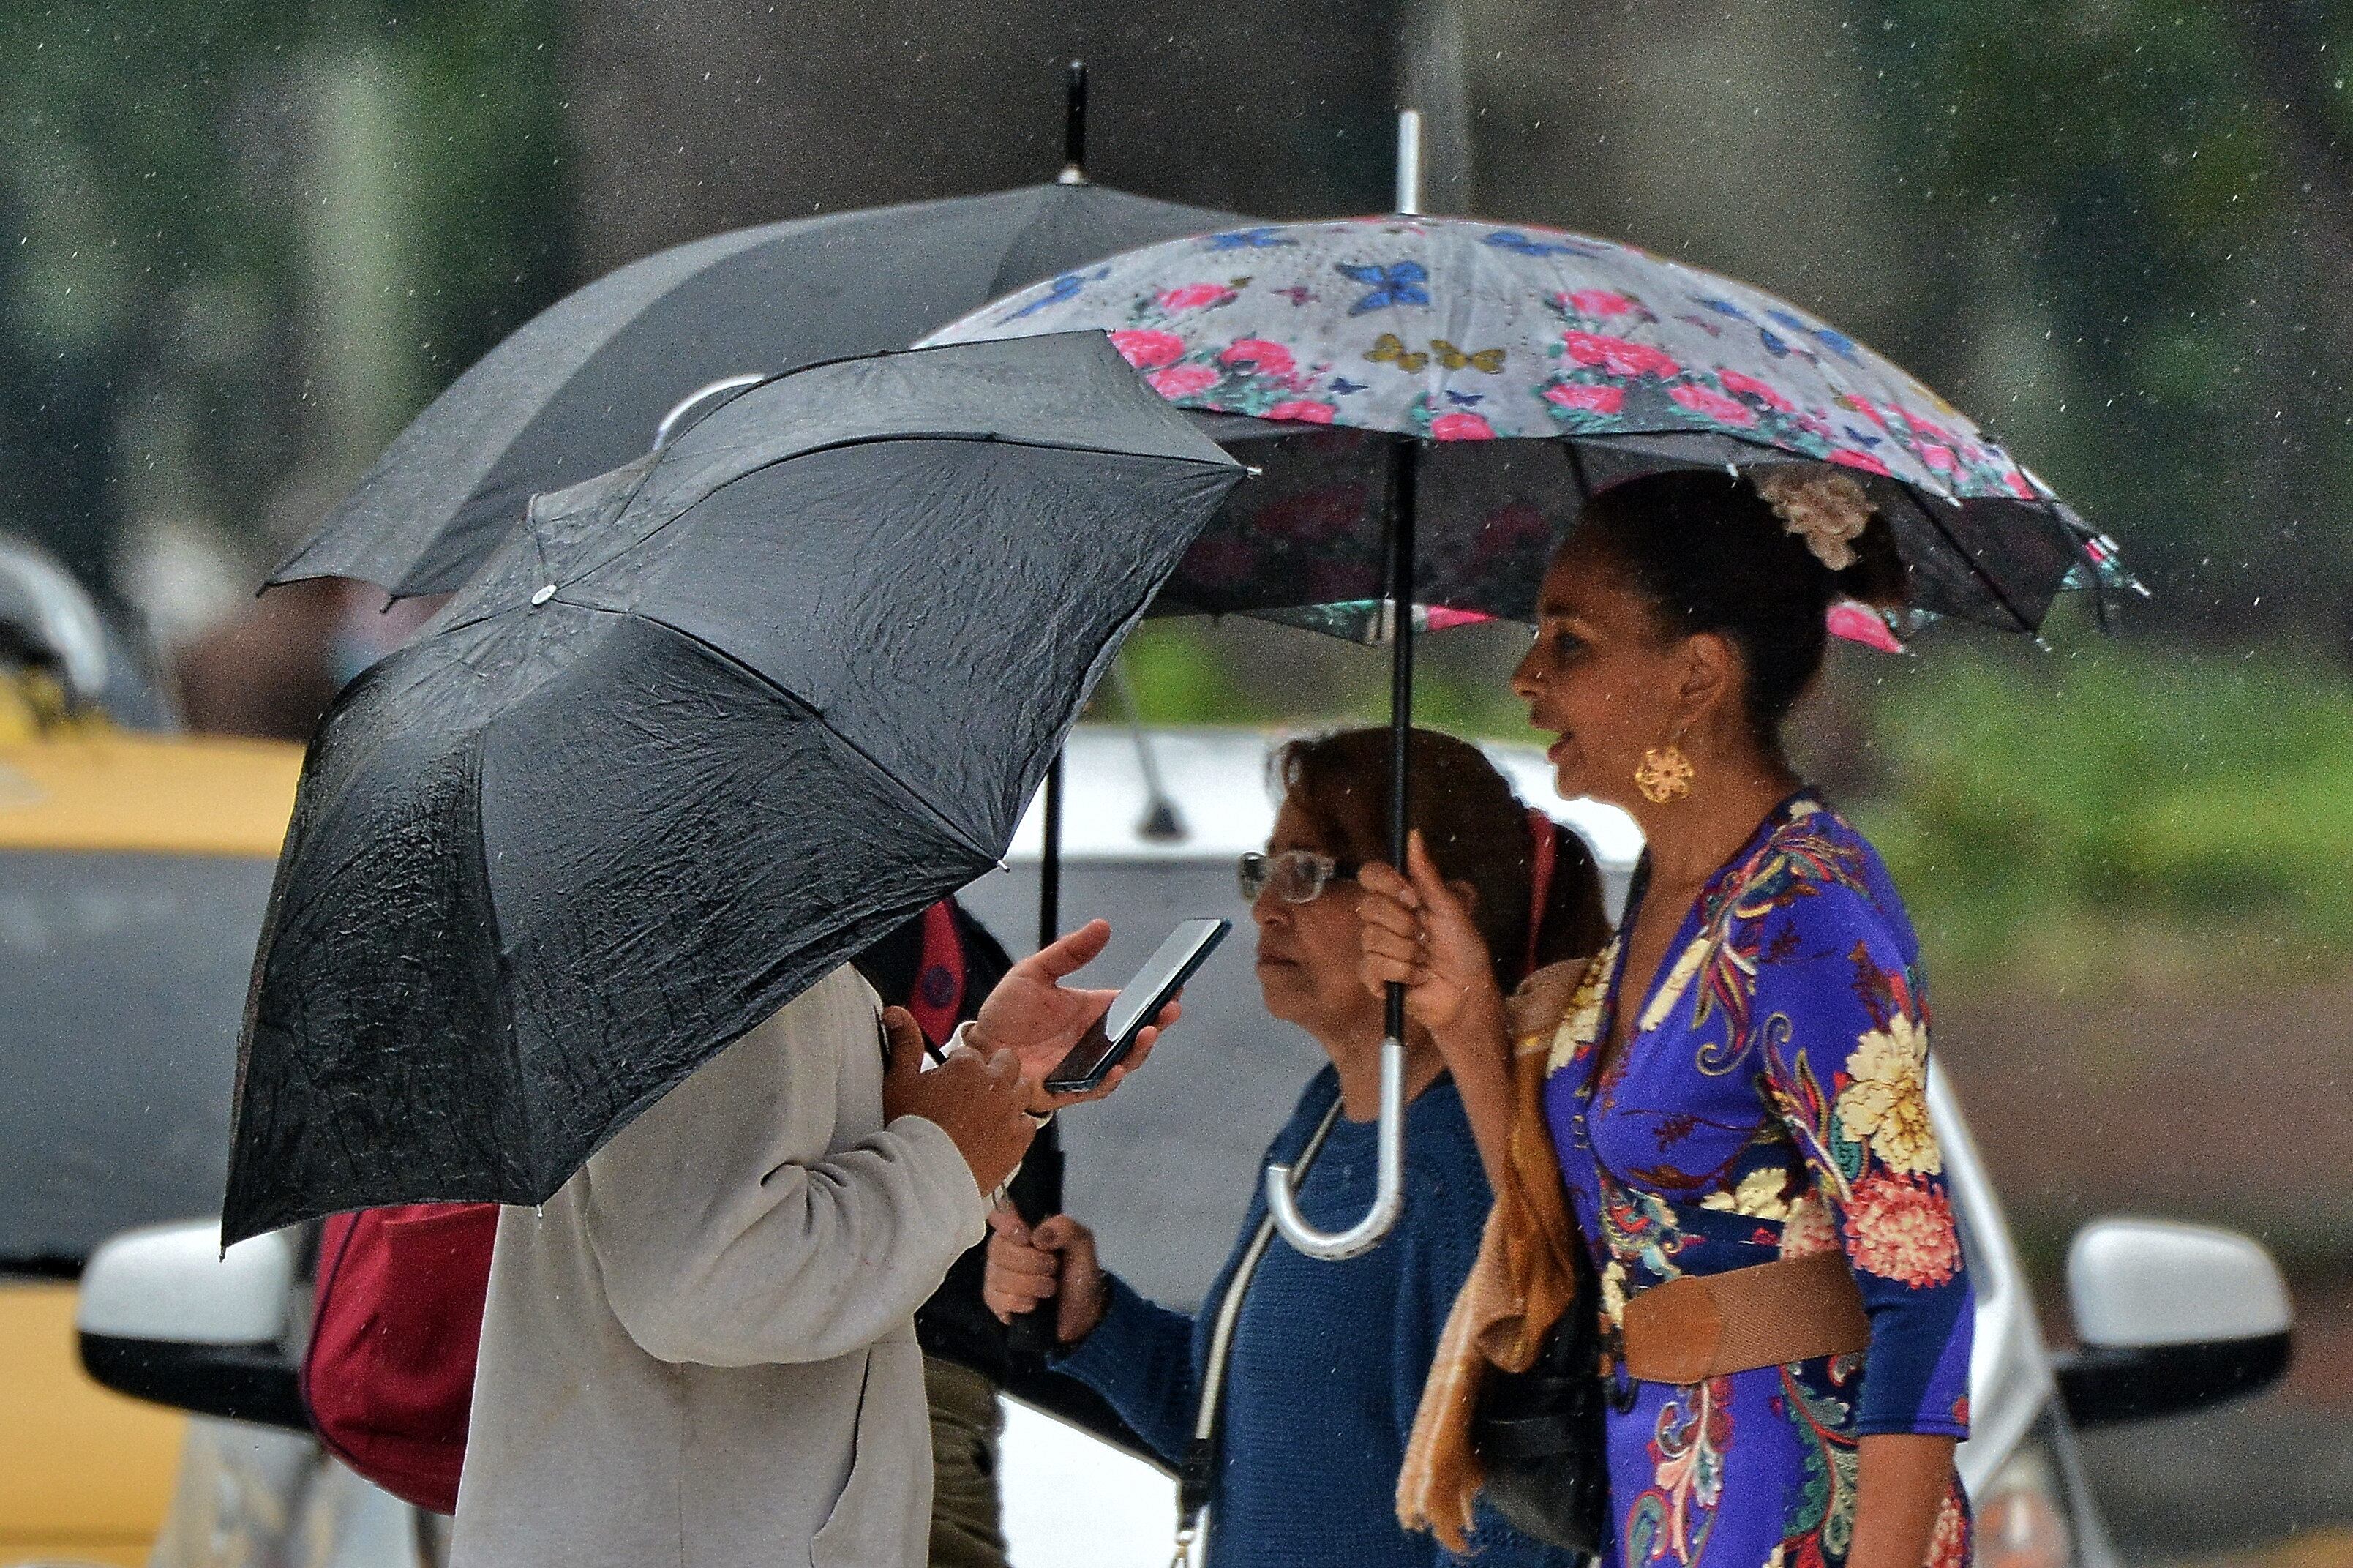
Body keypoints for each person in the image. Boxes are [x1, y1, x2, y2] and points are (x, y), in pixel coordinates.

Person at [1357, 469, 1975, 1568]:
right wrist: (1461, 1015)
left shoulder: (1807, 916)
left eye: (1572, 641)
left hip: (1798, 1513)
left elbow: (1920, 1289)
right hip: (1661, 1498)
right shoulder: (1668, 889)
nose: (1526, 676)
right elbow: (1580, 1220)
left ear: (1696, 676)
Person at [983, 727, 1607, 1568]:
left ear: (1436, 913)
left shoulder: (1460, 1167)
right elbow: (1241, 1442)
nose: (1267, 906)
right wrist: (1095, 1319)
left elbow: (1508, 1524)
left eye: (1308, 872)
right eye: (1264, 868)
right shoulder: (1324, 1117)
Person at [449, 919, 1172, 1568]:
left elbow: (779, 1186)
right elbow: (700, 1281)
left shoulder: (754, 927)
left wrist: (989, 1073)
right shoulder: (718, 938)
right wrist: (942, 1157)